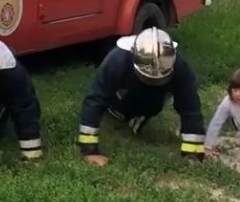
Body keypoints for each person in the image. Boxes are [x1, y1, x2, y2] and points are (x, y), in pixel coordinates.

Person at [76, 28, 206, 167]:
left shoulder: (179, 65)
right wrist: (90, 150)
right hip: (122, 88)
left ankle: (137, 113)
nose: (153, 81)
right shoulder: (117, 60)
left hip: (152, 97)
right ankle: (119, 108)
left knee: (154, 103)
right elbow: (96, 99)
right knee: (109, 99)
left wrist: (193, 152)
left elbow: (189, 105)